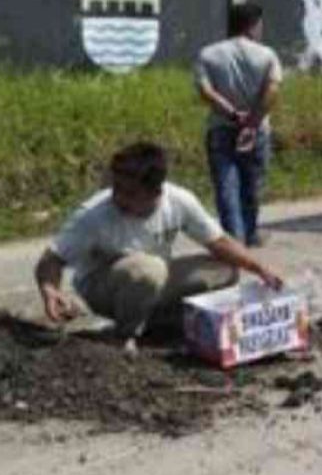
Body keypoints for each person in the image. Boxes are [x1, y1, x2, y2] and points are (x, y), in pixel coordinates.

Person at [34, 142, 283, 351]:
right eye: (116, 188)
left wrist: (259, 268)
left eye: (130, 192)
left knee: (225, 269)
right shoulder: (93, 214)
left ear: (155, 191)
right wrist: (50, 290)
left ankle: (158, 323)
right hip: (104, 287)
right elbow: (51, 258)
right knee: (147, 271)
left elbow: (218, 242)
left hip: (154, 278)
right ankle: (124, 335)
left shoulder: (178, 201)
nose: (118, 198)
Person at [194, 3, 283, 247]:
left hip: (220, 128)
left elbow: (205, 92)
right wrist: (252, 123)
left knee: (226, 187)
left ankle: (235, 240)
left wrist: (234, 115)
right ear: (254, 25)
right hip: (257, 131)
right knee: (252, 185)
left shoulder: (208, 54)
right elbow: (272, 91)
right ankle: (249, 234)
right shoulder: (267, 55)